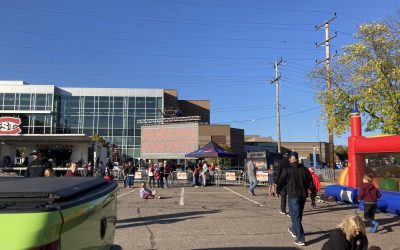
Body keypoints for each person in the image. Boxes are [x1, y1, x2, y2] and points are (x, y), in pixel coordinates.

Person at [277, 151, 316, 246]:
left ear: (290, 159)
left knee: (295, 217)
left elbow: (281, 181)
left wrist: (278, 190)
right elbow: (311, 183)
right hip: (303, 196)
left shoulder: (287, 169)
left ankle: (300, 238)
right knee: (298, 215)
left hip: (293, 196)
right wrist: (313, 194)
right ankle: (294, 229)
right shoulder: (305, 170)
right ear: (297, 159)